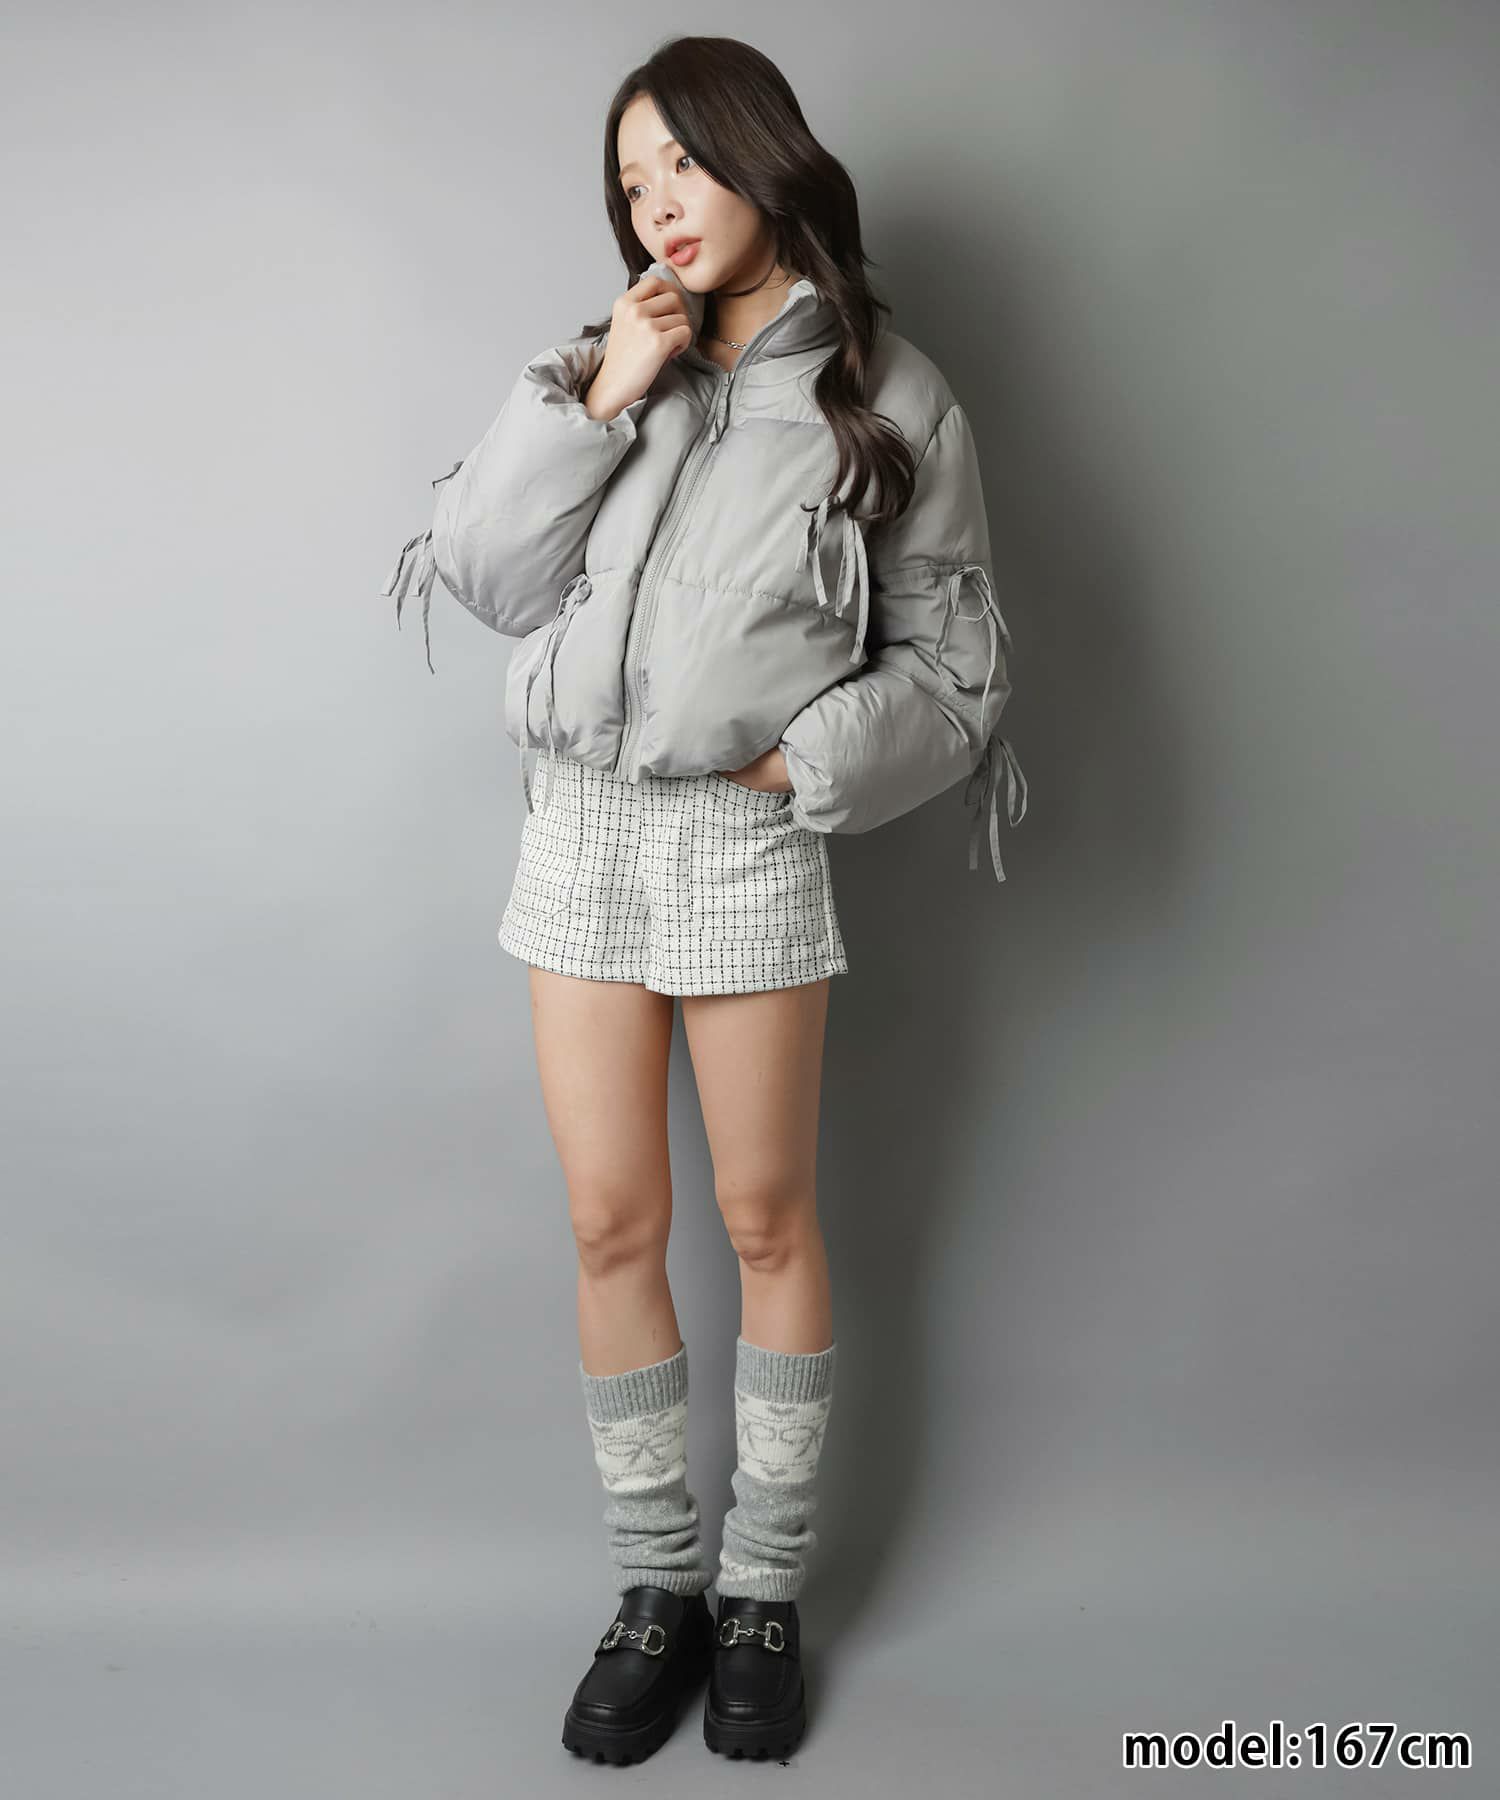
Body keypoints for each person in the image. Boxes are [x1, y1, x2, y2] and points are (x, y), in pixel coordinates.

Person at [380, 33, 1028, 1765]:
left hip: (743, 841)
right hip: (581, 831)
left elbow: (956, 673)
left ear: (762, 153)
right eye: (630, 180)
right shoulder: (609, 358)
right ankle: (656, 1582)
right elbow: (487, 574)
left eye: (681, 160)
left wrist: (793, 771)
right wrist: (602, 393)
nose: (656, 203)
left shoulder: (892, 393)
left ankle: (760, 1590)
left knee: (763, 1220)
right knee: (611, 1222)